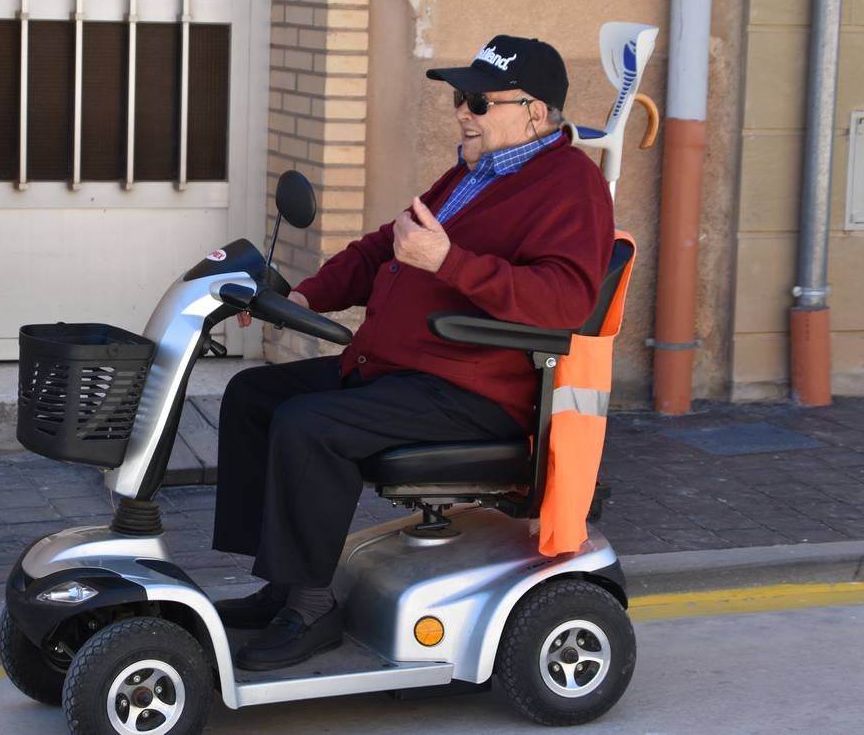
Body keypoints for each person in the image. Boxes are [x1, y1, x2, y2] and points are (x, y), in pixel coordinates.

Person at [211, 35, 616, 671]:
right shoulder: (474, 171)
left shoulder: (573, 186)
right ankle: (284, 584)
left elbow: (565, 301)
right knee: (254, 396)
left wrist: (450, 263)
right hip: (403, 371)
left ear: (535, 112)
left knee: (310, 425)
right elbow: (384, 247)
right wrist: (305, 297)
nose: (462, 112)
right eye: (460, 98)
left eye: (479, 102)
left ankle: (312, 607)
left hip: (474, 390)